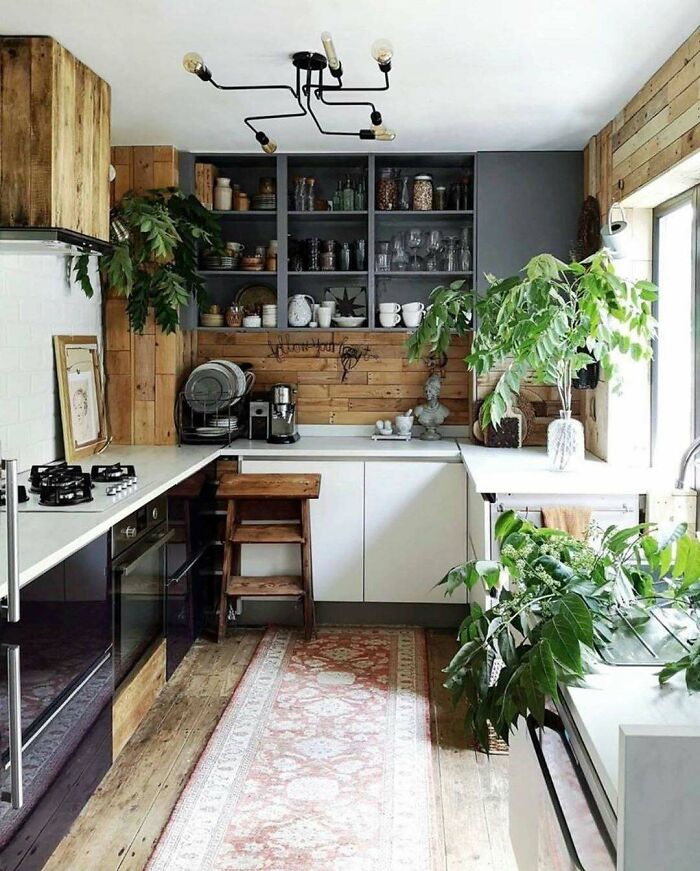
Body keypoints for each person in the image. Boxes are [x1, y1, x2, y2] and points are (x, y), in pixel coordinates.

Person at [415, 373, 450, 440]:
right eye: (426, 391)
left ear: (437, 392)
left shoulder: (444, 410)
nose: (427, 393)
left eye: (430, 391)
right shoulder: (419, 410)